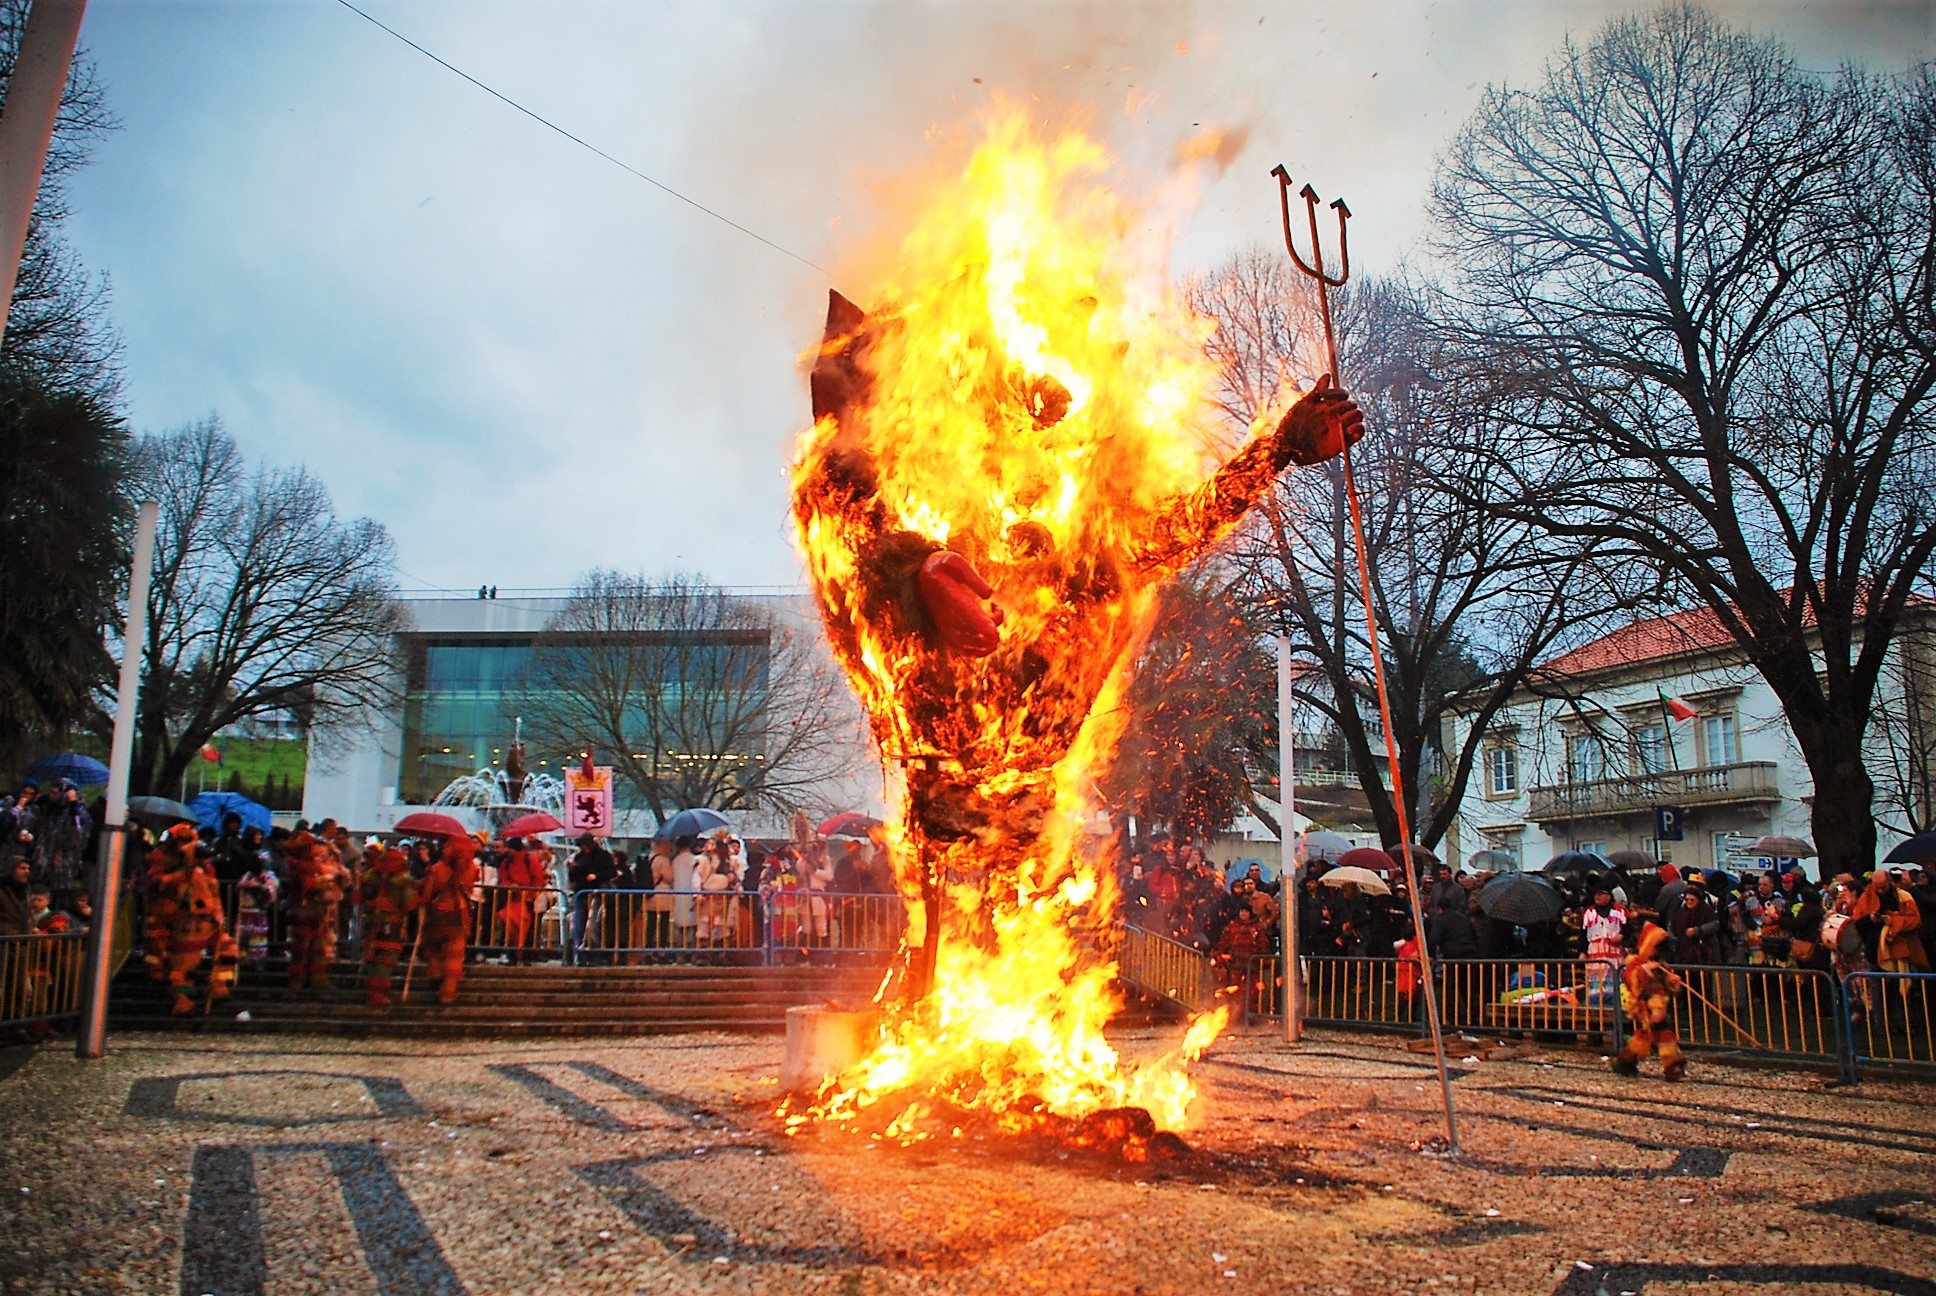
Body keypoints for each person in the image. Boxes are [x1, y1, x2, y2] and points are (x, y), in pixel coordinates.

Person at [157, 842, 240, 1015]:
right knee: (183, 969)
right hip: (188, 927)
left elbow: (214, 898)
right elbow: (188, 902)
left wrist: (218, 915)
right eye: (203, 857)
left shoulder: (208, 873)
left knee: (228, 950)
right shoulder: (179, 877)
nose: (207, 860)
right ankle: (183, 1002)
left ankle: (219, 989)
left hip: (210, 925)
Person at [1612, 922, 1688, 1081]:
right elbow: (1633, 985)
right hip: (1646, 1005)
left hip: (1659, 1004)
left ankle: (1627, 1060)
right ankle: (1672, 1065)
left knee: (1653, 1034)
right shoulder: (1635, 965)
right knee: (1660, 1033)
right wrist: (1645, 971)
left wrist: (1673, 982)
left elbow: (1667, 986)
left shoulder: (1660, 965)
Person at [285, 830, 350, 992]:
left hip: (316, 910)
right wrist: (326, 881)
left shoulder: (310, 864)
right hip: (304, 910)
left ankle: (317, 979)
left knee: (317, 948)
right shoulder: (299, 865)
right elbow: (308, 886)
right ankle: (299, 979)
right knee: (302, 947)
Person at [420, 834, 479, 1004]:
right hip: (460, 915)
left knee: (432, 946)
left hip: (438, 912)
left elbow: (428, 893)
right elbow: (470, 889)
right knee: (455, 955)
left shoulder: (438, 869)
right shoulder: (472, 869)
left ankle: (436, 971)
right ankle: (448, 991)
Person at [357, 846, 417, 1008]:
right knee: (386, 959)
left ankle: (370, 992)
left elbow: (359, 896)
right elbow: (409, 904)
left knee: (372, 955)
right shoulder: (403, 879)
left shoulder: (370, 876)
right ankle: (377, 996)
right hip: (392, 923)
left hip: (370, 921)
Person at [494, 836, 551, 963]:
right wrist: (510, 887)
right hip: (514, 898)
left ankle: (523, 954)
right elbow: (503, 879)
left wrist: (530, 895)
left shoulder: (527, 860)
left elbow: (537, 879)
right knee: (512, 926)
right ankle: (515, 953)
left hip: (527, 899)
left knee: (526, 928)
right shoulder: (508, 862)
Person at [567, 834, 619, 961]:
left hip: (596, 893)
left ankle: (594, 953)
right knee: (579, 924)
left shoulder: (603, 856)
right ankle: (581, 954)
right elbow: (573, 877)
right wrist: (573, 869)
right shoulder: (579, 857)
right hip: (582, 892)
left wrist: (596, 876)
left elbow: (611, 872)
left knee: (593, 925)